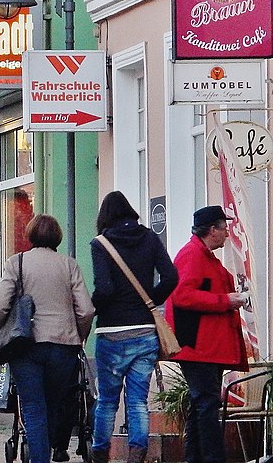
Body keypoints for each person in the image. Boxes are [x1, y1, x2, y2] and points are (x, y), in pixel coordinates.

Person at [0, 214, 95, 463]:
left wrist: (3, 334)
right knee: (54, 405)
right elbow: (86, 310)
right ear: (57, 237)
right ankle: (53, 449)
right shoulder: (69, 264)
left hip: (26, 347)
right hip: (63, 347)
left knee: (34, 408)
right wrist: (79, 336)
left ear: (30, 236)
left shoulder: (17, 263)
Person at [89, 191, 179, 463]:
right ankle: (136, 455)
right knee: (138, 400)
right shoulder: (150, 237)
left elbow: (104, 288)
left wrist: (95, 309)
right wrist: (151, 301)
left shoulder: (100, 244)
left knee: (107, 400)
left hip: (112, 332)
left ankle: (100, 453)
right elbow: (171, 276)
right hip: (144, 330)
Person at [165, 205, 248, 463]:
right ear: (212, 229)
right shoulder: (193, 255)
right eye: (224, 228)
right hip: (199, 346)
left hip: (206, 346)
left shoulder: (203, 255)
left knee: (201, 404)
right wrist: (226, 300)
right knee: (206, 404)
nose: (227, 233)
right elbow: (182, 295)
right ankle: (212, 458)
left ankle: (195, 458)